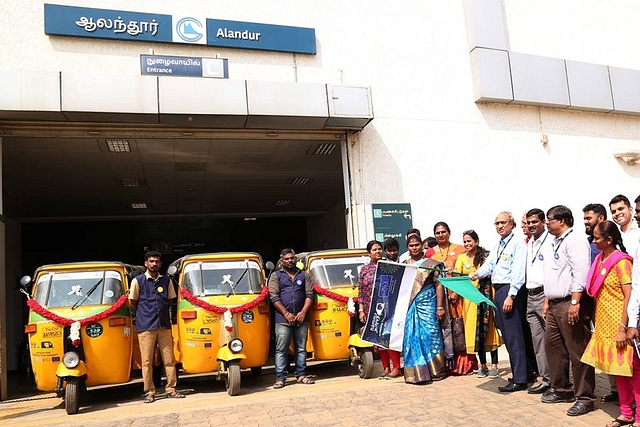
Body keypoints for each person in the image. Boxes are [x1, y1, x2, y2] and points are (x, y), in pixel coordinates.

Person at [541, 205, 596, 417]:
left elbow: (581, 272)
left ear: (562, 221)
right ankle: (562, 389)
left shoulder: (575, 240)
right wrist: (547, 301)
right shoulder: (554, 241)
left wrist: (575, 302)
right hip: (554, 304)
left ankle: (585, 397)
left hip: (570, 302)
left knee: (578, 351)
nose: (547, 223)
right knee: (554, 349)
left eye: (550, 219)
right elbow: (552, 274)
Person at [581, 221, 635, 427]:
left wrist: (623, 326)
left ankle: (636, 415)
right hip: (604, 323)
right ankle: (625, 412)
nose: (594, 241)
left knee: (630, 371)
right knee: (617, 370)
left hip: (620, 324)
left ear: (609, 240)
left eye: (597, 238)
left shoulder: (622, 263)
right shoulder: (599, 259)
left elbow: (629, 295)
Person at [471, 211, 529, 392]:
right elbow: (489, 265)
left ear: (512, 224)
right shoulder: (498, 245)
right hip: (499, 290)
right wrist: (475, 274)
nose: (500, 226)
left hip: (510, 290)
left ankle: (520, 379)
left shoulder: (517, 244)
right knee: (507, 334)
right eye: (497, 223)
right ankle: (523, 372)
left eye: (504, 222)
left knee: (513, 337)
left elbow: (518, 272)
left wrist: (511, 296)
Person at [129, 251, 184, 403]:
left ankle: (171, 389)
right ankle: (149, 392)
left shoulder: (167, 281)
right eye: (151, 261)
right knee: (147, 361)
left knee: (169, 359)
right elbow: (132, 303)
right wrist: (142, 316)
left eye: (157, 261)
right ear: (146, 263)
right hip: (146, 327)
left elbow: (171, 301)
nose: (154, 264)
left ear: (160, 264)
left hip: (164, 326)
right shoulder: (137, 281)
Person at [427, 221, 475, 375]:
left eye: (443, 232)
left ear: (449, 232)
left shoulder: (460, 249)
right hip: (439, 296)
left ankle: (464, 364)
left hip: (457, 295)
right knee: (443, 329)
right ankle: (446, 363)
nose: (441, 235)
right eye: (438, 233)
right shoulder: (429, 253)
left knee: (459, 326)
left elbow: (463, 274)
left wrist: (456, 292)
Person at [583, 202, 619, 403]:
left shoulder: (612, 251)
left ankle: (623, 389)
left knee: (617, 345)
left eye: (589, 218)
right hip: (594, 300)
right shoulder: (588, 242)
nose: (586, 222)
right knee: (603, 343)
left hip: (612, 304)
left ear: (601, 219)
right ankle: (615, 387)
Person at [454, 230, 501, 379]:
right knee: (475, 332)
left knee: (489, 330)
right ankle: (483, 365)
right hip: (470, 300)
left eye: (470, 241)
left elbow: (491, 272)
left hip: (485, 297)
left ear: (477, 241)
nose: (467, 244)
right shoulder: (461, 258)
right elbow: (457, 275)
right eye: (465, 241)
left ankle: (494, 365)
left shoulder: (486, 256)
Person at [402, 234, 448, 384]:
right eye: (411, 245)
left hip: (429, 303)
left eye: (417, 245)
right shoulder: (404, 264)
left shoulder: (432, 263)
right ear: (408, 247)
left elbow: (439, 284)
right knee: (412, 337)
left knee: (430, 334)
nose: (414, 248)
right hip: (411, 305)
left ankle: (437, 370)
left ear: (422, 246)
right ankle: (417, 373)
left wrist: (440, 307)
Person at [268, 248, 315, 389]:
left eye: (292, 258)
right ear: (282, 261)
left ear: (295, 259)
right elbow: (274, 297)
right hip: (283, 319)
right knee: (281, 349)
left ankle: (301, 375)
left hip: (302, 318)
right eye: (287, 259)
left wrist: (302, 312)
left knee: (301, 349)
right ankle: (281, 378)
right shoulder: (276, 276)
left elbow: (309, 295)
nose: (290, 261)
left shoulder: (304, 275)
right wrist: (286, 314)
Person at [359, 240, 403, 378]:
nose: (377, 251)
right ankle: (385, 368)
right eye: (374, 249)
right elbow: (360, 291)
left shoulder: (388, 266)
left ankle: (396, 367)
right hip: (370, 308)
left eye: (379, 249)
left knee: (387, 336)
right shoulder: (365, 270)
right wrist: (361, 310)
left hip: (386, 307)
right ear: (369, 253)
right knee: (376, 339)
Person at [523, 209, 551, 394]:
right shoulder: (529, 242)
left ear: (543, 222)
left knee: (552, 341)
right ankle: (546, 379)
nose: (531, 225)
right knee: (538, 341)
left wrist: (547, 299)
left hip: (544, 295)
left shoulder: (549, 241)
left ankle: (560, 380)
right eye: (529, 222)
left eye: (535, 222)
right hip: (530, 295)